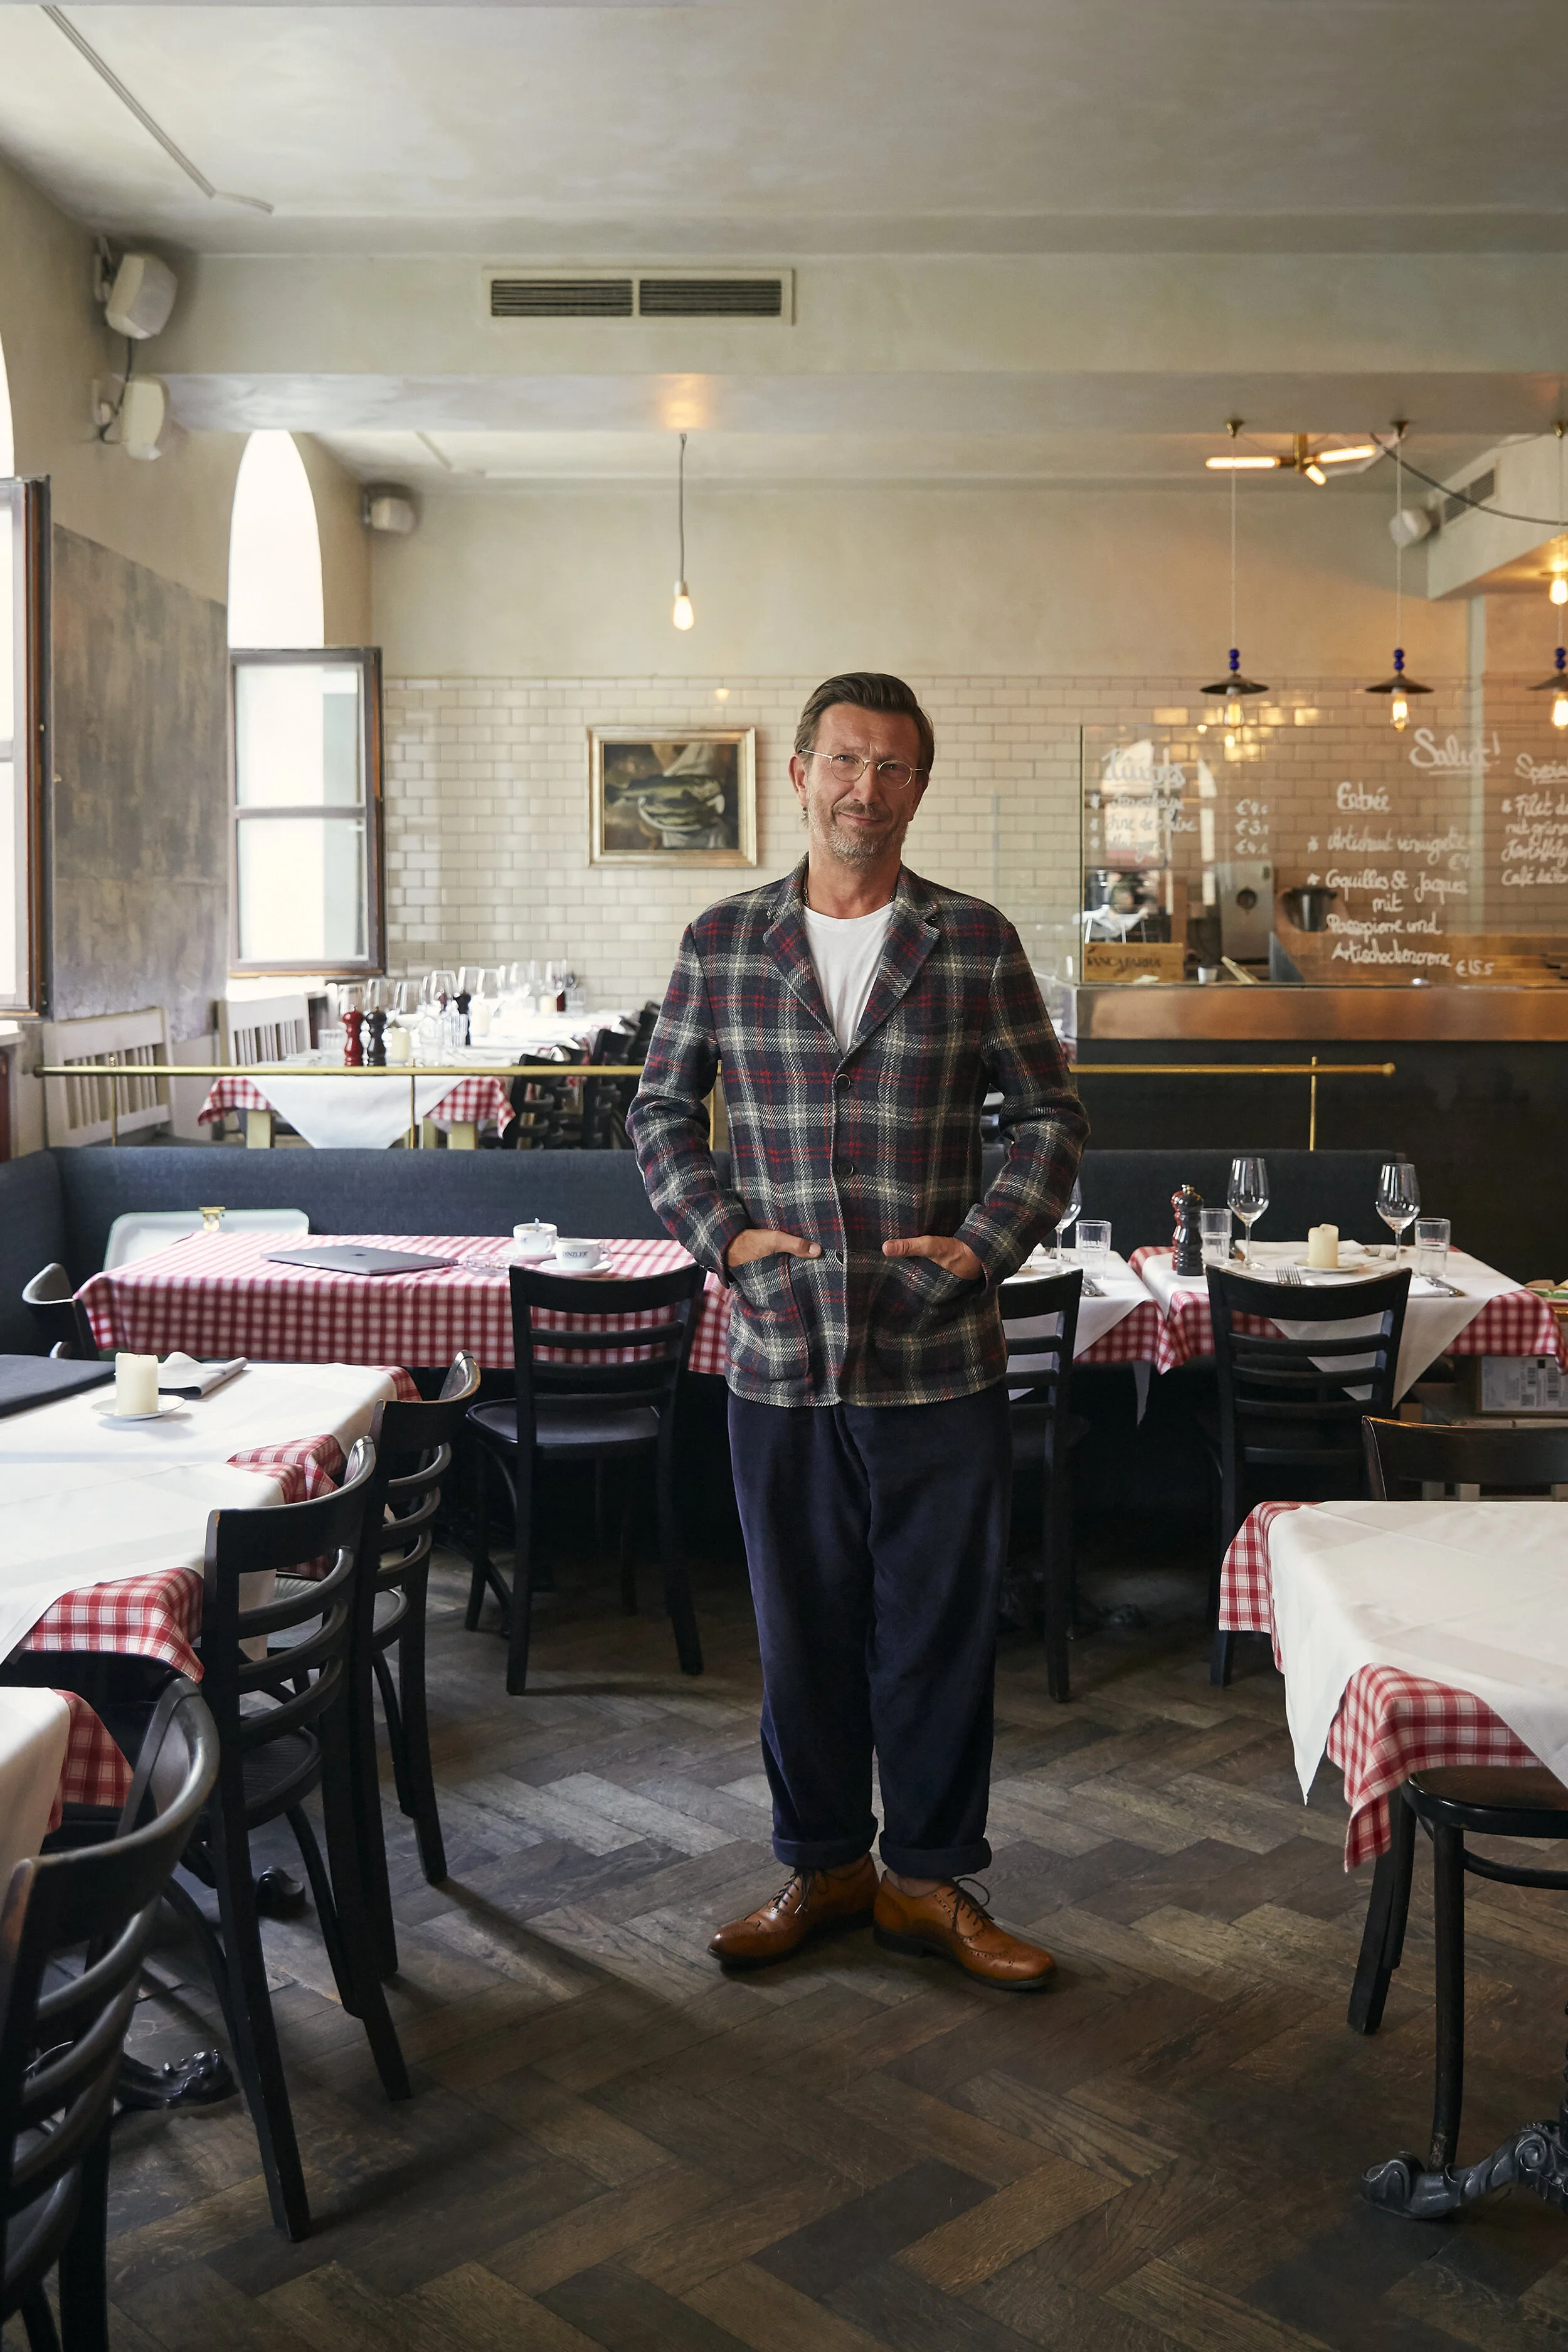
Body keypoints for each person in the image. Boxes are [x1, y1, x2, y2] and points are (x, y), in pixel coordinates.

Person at [628, 671, 1087, 1989]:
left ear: (917, 789)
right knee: (797, 1627)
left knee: (938, 1631)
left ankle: (929, 1883)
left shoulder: (973, 940)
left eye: (891, 769)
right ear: (797, 772)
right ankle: (822, 1866)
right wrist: (724, 1238)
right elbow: (659, 1116)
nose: (864, 790)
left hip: (937, 1354)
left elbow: (1049, 1120)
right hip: (777, 1357)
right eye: (844, 761)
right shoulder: (722, 942)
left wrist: (982, 1246)